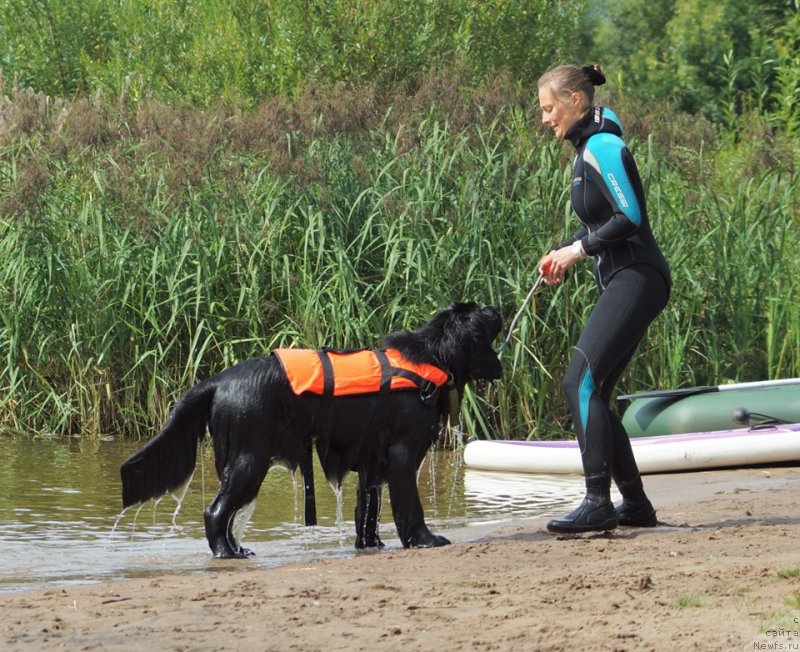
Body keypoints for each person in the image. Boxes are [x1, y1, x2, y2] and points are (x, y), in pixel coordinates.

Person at [537, 64, 671, 533]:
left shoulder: (604, 146)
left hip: (638, 276)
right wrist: (564, 250)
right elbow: (600, 223)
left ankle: (597, 501)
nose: (545, 118)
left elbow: (629, 216)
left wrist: (577, 251)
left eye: (550, 108)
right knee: (597, 390)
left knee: (580, 381)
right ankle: (633, 505)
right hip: (626, 278)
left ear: (576, 100)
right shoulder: (587, 150)